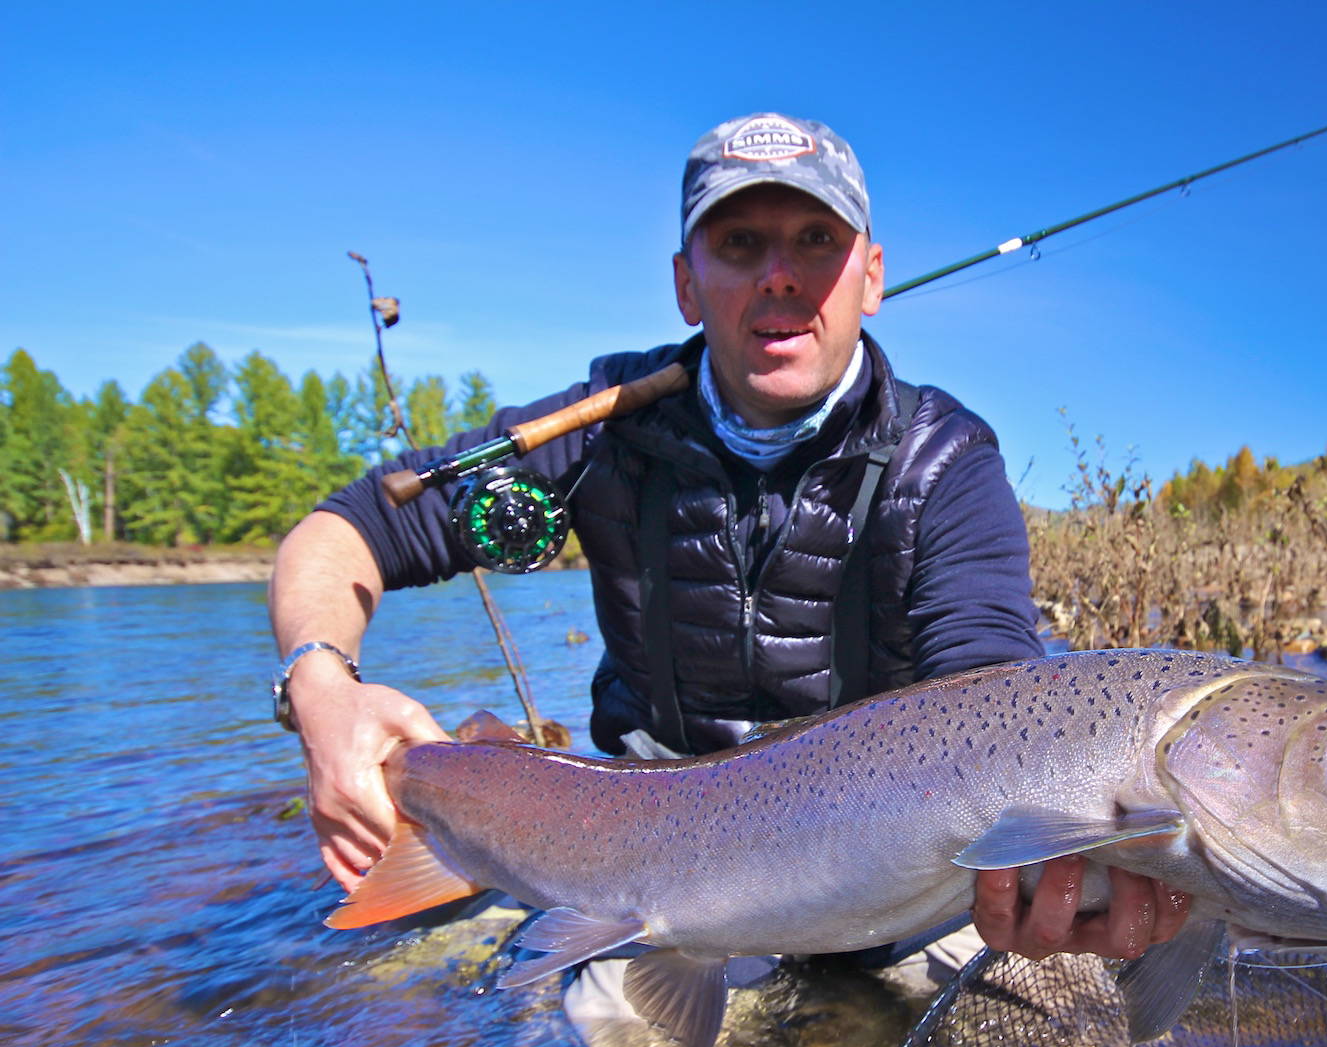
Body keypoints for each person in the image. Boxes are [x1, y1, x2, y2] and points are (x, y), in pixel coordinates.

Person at [267, 112, 1191, 997]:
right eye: (740, 245)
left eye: (816, 242)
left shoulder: (945, 459)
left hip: (903, 878)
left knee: (1067, 1032)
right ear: (684, 283)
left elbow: (994, 688)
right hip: (644, 882)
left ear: (870, 276)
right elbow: (343, 530)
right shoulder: (600, 427)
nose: (779, 276)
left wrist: (1047, 860)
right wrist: (320, 687)